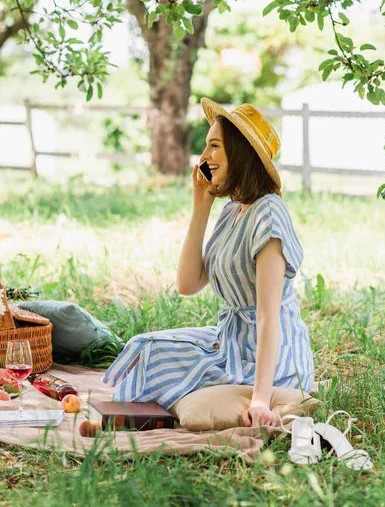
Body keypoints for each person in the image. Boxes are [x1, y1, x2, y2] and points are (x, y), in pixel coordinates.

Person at [102, 98, 314, 428]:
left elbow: (269, 316)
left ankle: (151, 417)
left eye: (214, 146)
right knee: (146, 349)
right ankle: (136, 417)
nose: (203, 158)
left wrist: (260, 399)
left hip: (269, 356)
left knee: (173, 372)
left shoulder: (268, 215)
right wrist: (201, 206)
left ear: (240, 153)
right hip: (230, 340)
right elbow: (187, 284)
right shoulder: (233, 209)